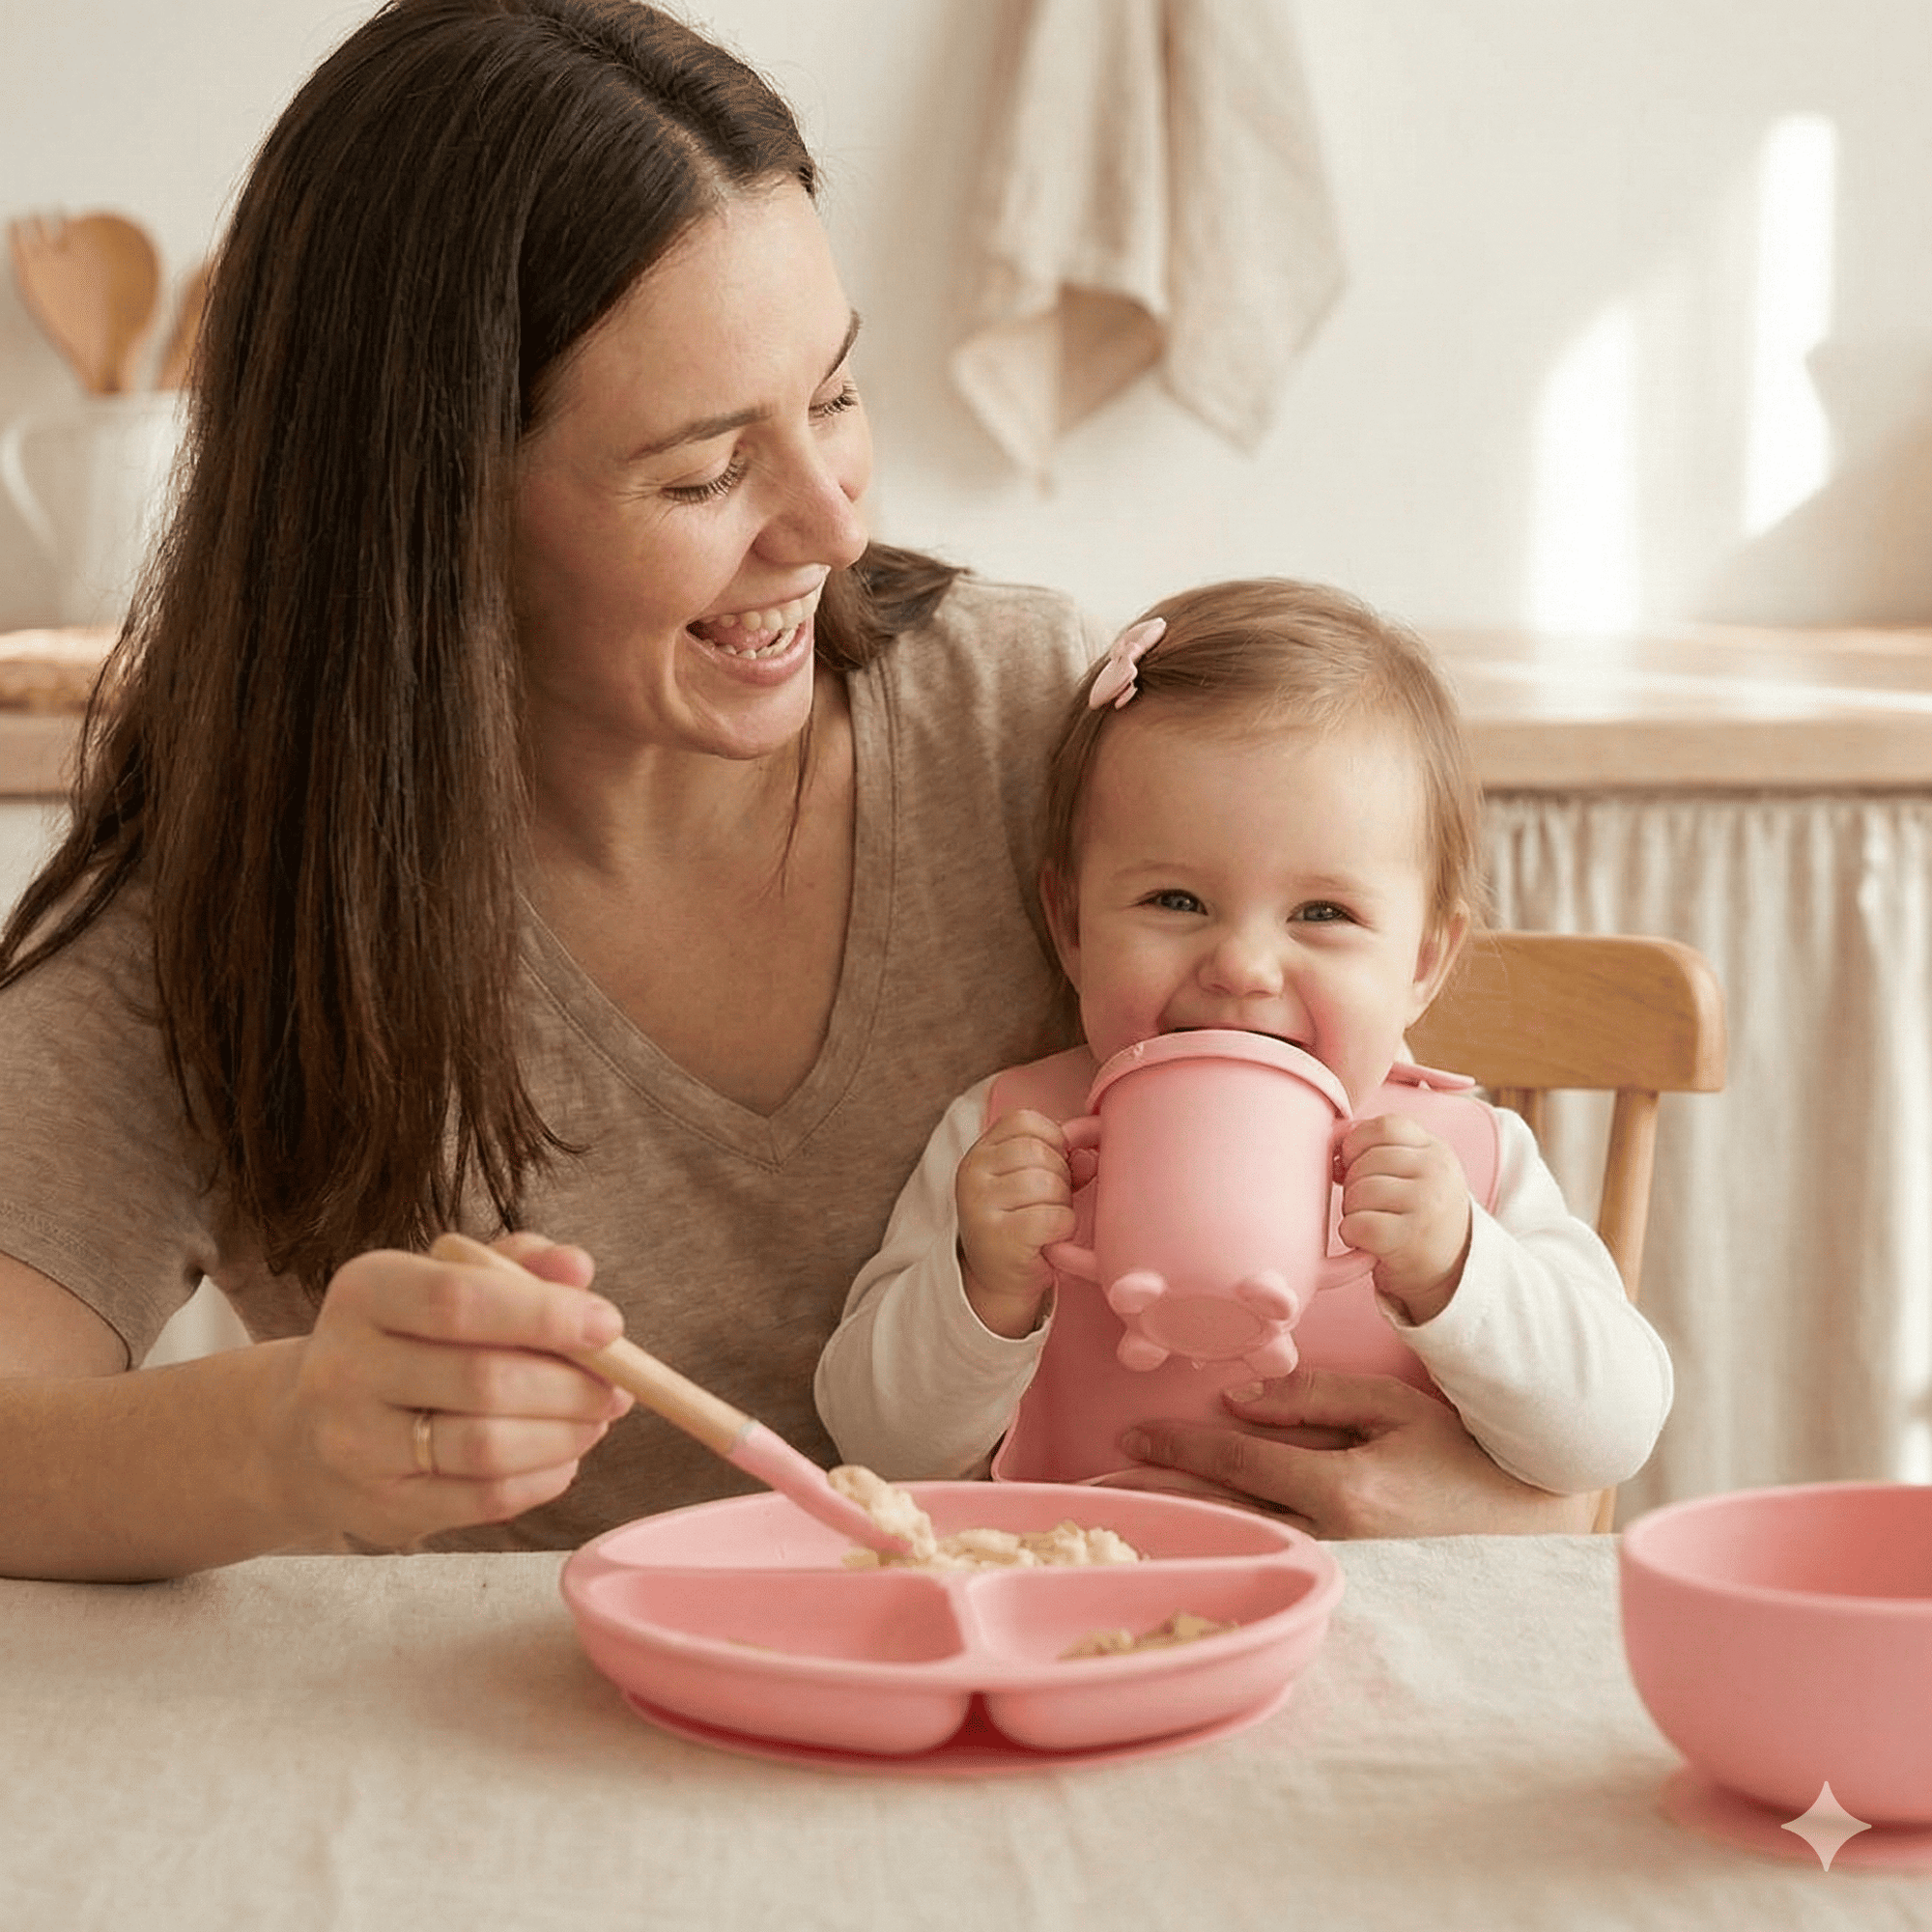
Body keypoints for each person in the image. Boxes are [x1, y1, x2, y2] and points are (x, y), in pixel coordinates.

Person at [0, 2, 1591, 1583]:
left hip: (1062, 1707)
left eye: (833, 395)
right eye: (700, 472)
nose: (834, 523)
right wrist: (290, 1440)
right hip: (555, 1765)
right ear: (428, 516)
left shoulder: (1033, 730)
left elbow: (1440, 1267)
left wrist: (1521, 1512)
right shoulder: (240, 892)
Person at [814, 581, 1672, 1520]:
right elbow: (875, 1447)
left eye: (1322, 913)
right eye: (1175, 901)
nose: (1241, 965)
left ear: (1421, 961)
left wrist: (1457, 1266)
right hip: (1086, 1622)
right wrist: (981, 1285)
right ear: (1069, 925)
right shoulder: (1009, 1138)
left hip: (1382, 1626)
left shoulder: (1467, 1159)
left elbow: (1610, 1434)